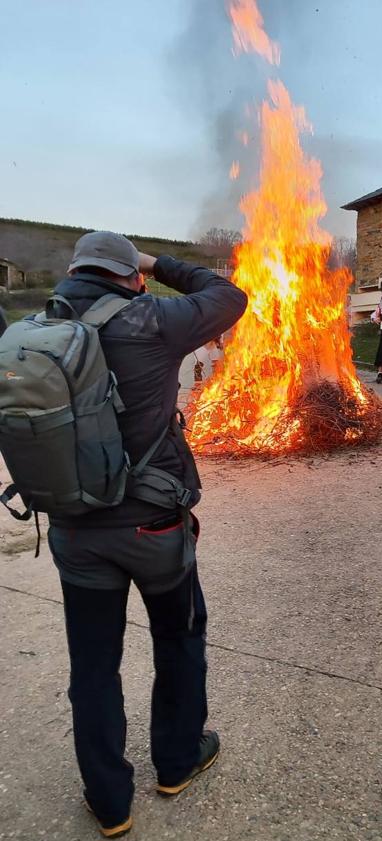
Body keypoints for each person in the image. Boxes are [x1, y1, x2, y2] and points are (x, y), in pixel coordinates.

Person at [45, 232, 247, 837]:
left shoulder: (35, 331)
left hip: (77, 531)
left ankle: (109, 802)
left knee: (94, 665)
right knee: (180, 642)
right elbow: (228, 295)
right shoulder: (153, 319)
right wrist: (157, 264)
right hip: (154, 526)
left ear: (75, 271)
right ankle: (176, 762)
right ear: (129, 276)